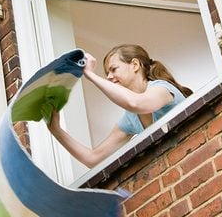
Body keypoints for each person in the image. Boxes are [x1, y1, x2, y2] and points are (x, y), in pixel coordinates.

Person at [48, 44, 192, 168]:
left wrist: (90, 75)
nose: (109, 77)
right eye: (107, 73)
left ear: (135, 65)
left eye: (113, 69)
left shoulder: (162, 89)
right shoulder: (131, 118)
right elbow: (93, 159)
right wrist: (55, 129)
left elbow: (136, 103)